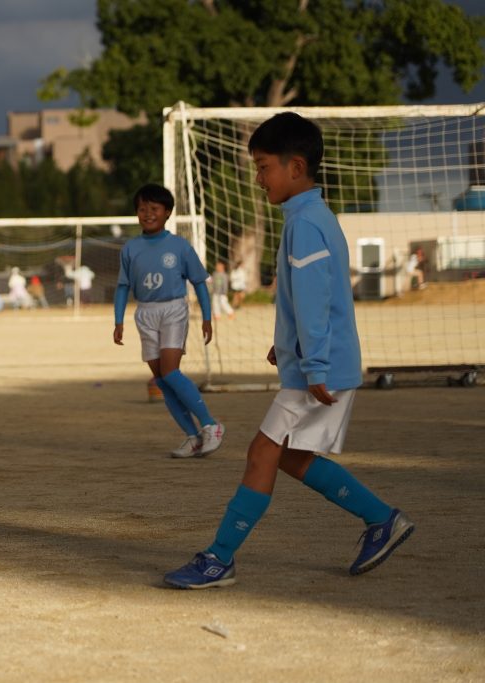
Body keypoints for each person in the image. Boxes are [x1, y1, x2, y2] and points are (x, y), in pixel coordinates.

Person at [164, 112, 414, 589]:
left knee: (262, 452)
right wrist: (290, 346)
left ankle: (219, 558)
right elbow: (308, 298)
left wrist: (313, 360)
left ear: (295, 167)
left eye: (263, 167)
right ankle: (382, 519)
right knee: (292, 457)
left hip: (320, 371)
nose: (257, 179)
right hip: (318, 363)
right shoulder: (311, 218)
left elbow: (317, 297)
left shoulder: (305, 225)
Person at [113, 184, 225, 459]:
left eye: (154, 209)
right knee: (162, 381)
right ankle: (193, 437)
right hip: (145, 312)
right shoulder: (130, 248)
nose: (148, 214)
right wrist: (118, 321)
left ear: (168, 213)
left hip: (174, 309)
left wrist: (207, 318)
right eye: (142, 209)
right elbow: (122, 287)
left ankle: (211, 425)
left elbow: (199, 282)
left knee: (171, 372)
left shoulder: (179, 246)